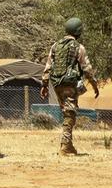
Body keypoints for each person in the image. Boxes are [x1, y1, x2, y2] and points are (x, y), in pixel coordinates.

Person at [41, 17, 101, 155]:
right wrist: (94, 85)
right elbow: (87, 69)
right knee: (70, 113)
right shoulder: (78, 47)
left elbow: (48, 66)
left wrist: (44, 85)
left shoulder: (55, 46)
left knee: (67, 112)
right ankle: (65, 145)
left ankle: (69, 144)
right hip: (70, 84)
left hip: (56, 83)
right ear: (78, 32)